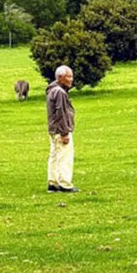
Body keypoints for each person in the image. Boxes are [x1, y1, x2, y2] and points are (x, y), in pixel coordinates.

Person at [46, 65, 79, 193]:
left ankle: (53, 182)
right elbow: (61, 113)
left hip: (53, 129)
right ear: (60, 77)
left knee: (54, 155)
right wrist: (65, 133)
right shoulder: (59, 92)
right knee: (64, 157)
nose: (71, 79)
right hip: (61, 130)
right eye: (68, 77)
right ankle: (65, 184)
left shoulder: (52, 90)